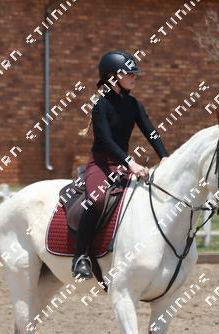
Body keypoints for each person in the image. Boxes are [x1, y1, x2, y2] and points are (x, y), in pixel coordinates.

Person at [72, 50, 170, 279]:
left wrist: (165, 156)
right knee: (96, 200)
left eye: (135, 74)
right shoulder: (101, 105)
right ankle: (80, 257)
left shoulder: (134, 104)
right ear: (112, 77)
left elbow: (151, 132)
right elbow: (105, 140)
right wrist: (130, 163)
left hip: (124, 165)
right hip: (101, 163)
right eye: (129, 74)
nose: (134, 77)